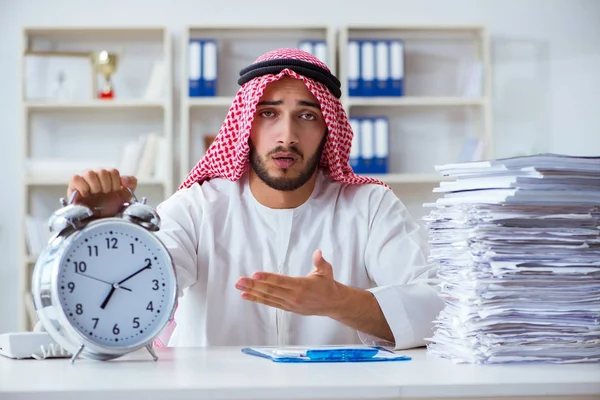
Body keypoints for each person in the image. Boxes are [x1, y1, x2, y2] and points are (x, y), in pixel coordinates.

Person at [67, 48, 444, 350]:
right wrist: (104, 228)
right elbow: (133, 290)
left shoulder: (370, 206)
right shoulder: (198, 207)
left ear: (329, 130)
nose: (287, 136)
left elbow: (436, 311)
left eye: (307, 116)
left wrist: (338, 302)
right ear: (245, 125)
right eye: (268, 114)